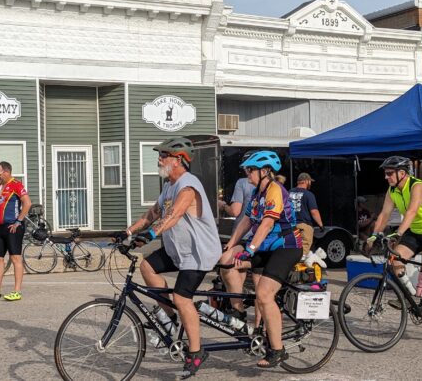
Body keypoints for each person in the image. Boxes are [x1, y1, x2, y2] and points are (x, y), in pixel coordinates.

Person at [125, 137, 221, 379]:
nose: (159, 159)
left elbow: (176, 214)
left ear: (179, 160)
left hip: (197, 253)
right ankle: (168, 318)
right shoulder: (169, 184)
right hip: (177, 249)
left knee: (182, 297)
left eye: (164, 155)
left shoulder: (188, 185)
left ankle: (197, 352)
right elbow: (153, 213)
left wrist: (150, 235)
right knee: (147, 267)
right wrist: (128, 231)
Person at [219, 150, 302, 369]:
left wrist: (250, 249)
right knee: (226, 260)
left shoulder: (275, 190)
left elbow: (266, 224)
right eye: (247, 169)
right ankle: (237, 310)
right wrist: (231, 243)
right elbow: (246, 221)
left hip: (286, 247)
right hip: (265, 247)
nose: (247, 173)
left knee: (264, 294)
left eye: (251, 169)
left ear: (265, 171)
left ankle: (277, 350)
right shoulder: (257, 193)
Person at [367, 156, 422, 324]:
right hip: (417, 231)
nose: (386, 177)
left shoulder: (417, 186)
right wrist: (372, 236)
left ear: (402, 173)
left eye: (389, 173)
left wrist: (398, 234)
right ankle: (409, 295)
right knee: (395, 260)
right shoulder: (392, 190)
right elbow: (384, 215)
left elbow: (411, 212)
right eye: (386, 174)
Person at [0, 161, 31, 302]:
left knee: (15, 258)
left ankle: (17, 291)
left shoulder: (16, 184)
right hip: (1, 226)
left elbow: (27, 203)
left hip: (13, 226)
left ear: (7, 172)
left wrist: (18, 221)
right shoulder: (0, 186)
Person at [217, 151, 254, 231]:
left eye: (245, 167)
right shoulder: (275, 185)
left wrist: (223, 205)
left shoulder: (242, 183)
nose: (244, 169)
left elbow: (235, 211)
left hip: (243, 234)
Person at [289, 172, 323, 255]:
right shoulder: (308, 194)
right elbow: (314, 211)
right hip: (304, 226)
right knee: (303, 252)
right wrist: (321, 225)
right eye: (310, 181)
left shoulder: (288, 192)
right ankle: (298, 266)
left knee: (291, 249)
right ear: (306, 181)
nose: (310, 183)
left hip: (289, 226)